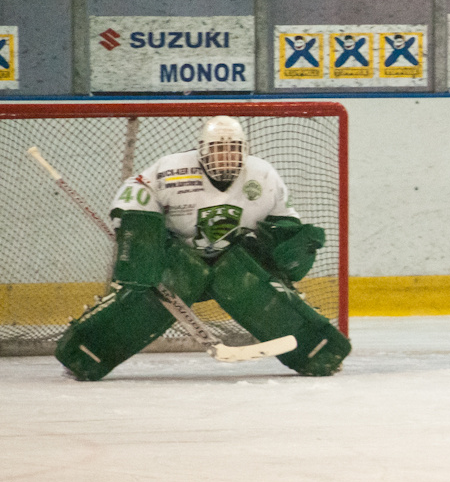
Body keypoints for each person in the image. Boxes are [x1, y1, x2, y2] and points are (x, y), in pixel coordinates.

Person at [56, 115, 351, 380]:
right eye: (219, 148)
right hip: (176, 259)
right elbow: (134, 193)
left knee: (261, 293)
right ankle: (84, 353)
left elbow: (283, 221)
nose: (226, 155)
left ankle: (318, 351)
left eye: (233, 148)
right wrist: (135, 226)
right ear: (202, 149)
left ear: (244, 149)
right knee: (141, 302)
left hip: (233, 260)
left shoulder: (262, 175)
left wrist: (292, 244)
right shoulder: (170, 170)